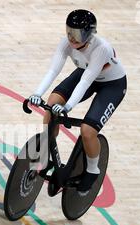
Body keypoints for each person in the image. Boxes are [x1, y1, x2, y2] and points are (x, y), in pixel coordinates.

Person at [28, 9, 127, 194]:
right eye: (69, 32)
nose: (72, 38)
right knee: (51, 103)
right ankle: (47, 151)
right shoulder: (66, 43)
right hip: (86, 74)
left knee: (87, 131)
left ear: (89, 34)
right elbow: (53, 71)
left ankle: (92, 170)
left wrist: (67, 107)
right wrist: (37, 93)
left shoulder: (101, 48)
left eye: (77, 34)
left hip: (111, 85)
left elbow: (86, 81)